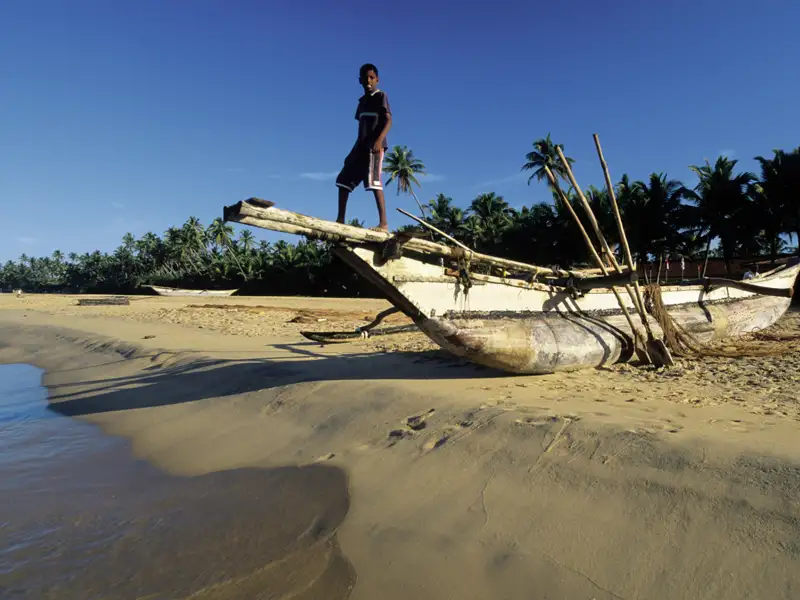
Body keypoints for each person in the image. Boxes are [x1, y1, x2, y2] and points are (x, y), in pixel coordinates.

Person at [335, 63, 392, 231]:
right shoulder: (361, 102)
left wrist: (379, 141)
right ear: (359, 80)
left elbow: (388, 121)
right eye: (365, 78)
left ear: (377, 79)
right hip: (360, 147)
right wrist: (353, 151)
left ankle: (383, 223)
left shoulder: (380, 96)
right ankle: (340, 218)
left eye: (372, 77)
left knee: (374, 181)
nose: (369, 80)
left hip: (375, 147)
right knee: (343, 179)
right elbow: (360, 131)